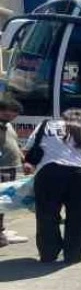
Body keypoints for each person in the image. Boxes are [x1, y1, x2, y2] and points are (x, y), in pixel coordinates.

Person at [27, 109, 81, 263]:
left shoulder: (46, 125)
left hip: (49, 172)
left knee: (47, 215)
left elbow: (28, 149)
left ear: (63, 116)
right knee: (80, 216)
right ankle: (74, 253)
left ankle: (49, 253)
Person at [0, 98, 28, 247]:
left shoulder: (8, 125)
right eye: (11, 113)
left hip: (10, 168)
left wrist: (23, 159)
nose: (14, 116)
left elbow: (14, 144)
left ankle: (2, 230)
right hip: (2, 169)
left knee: (4, 203)